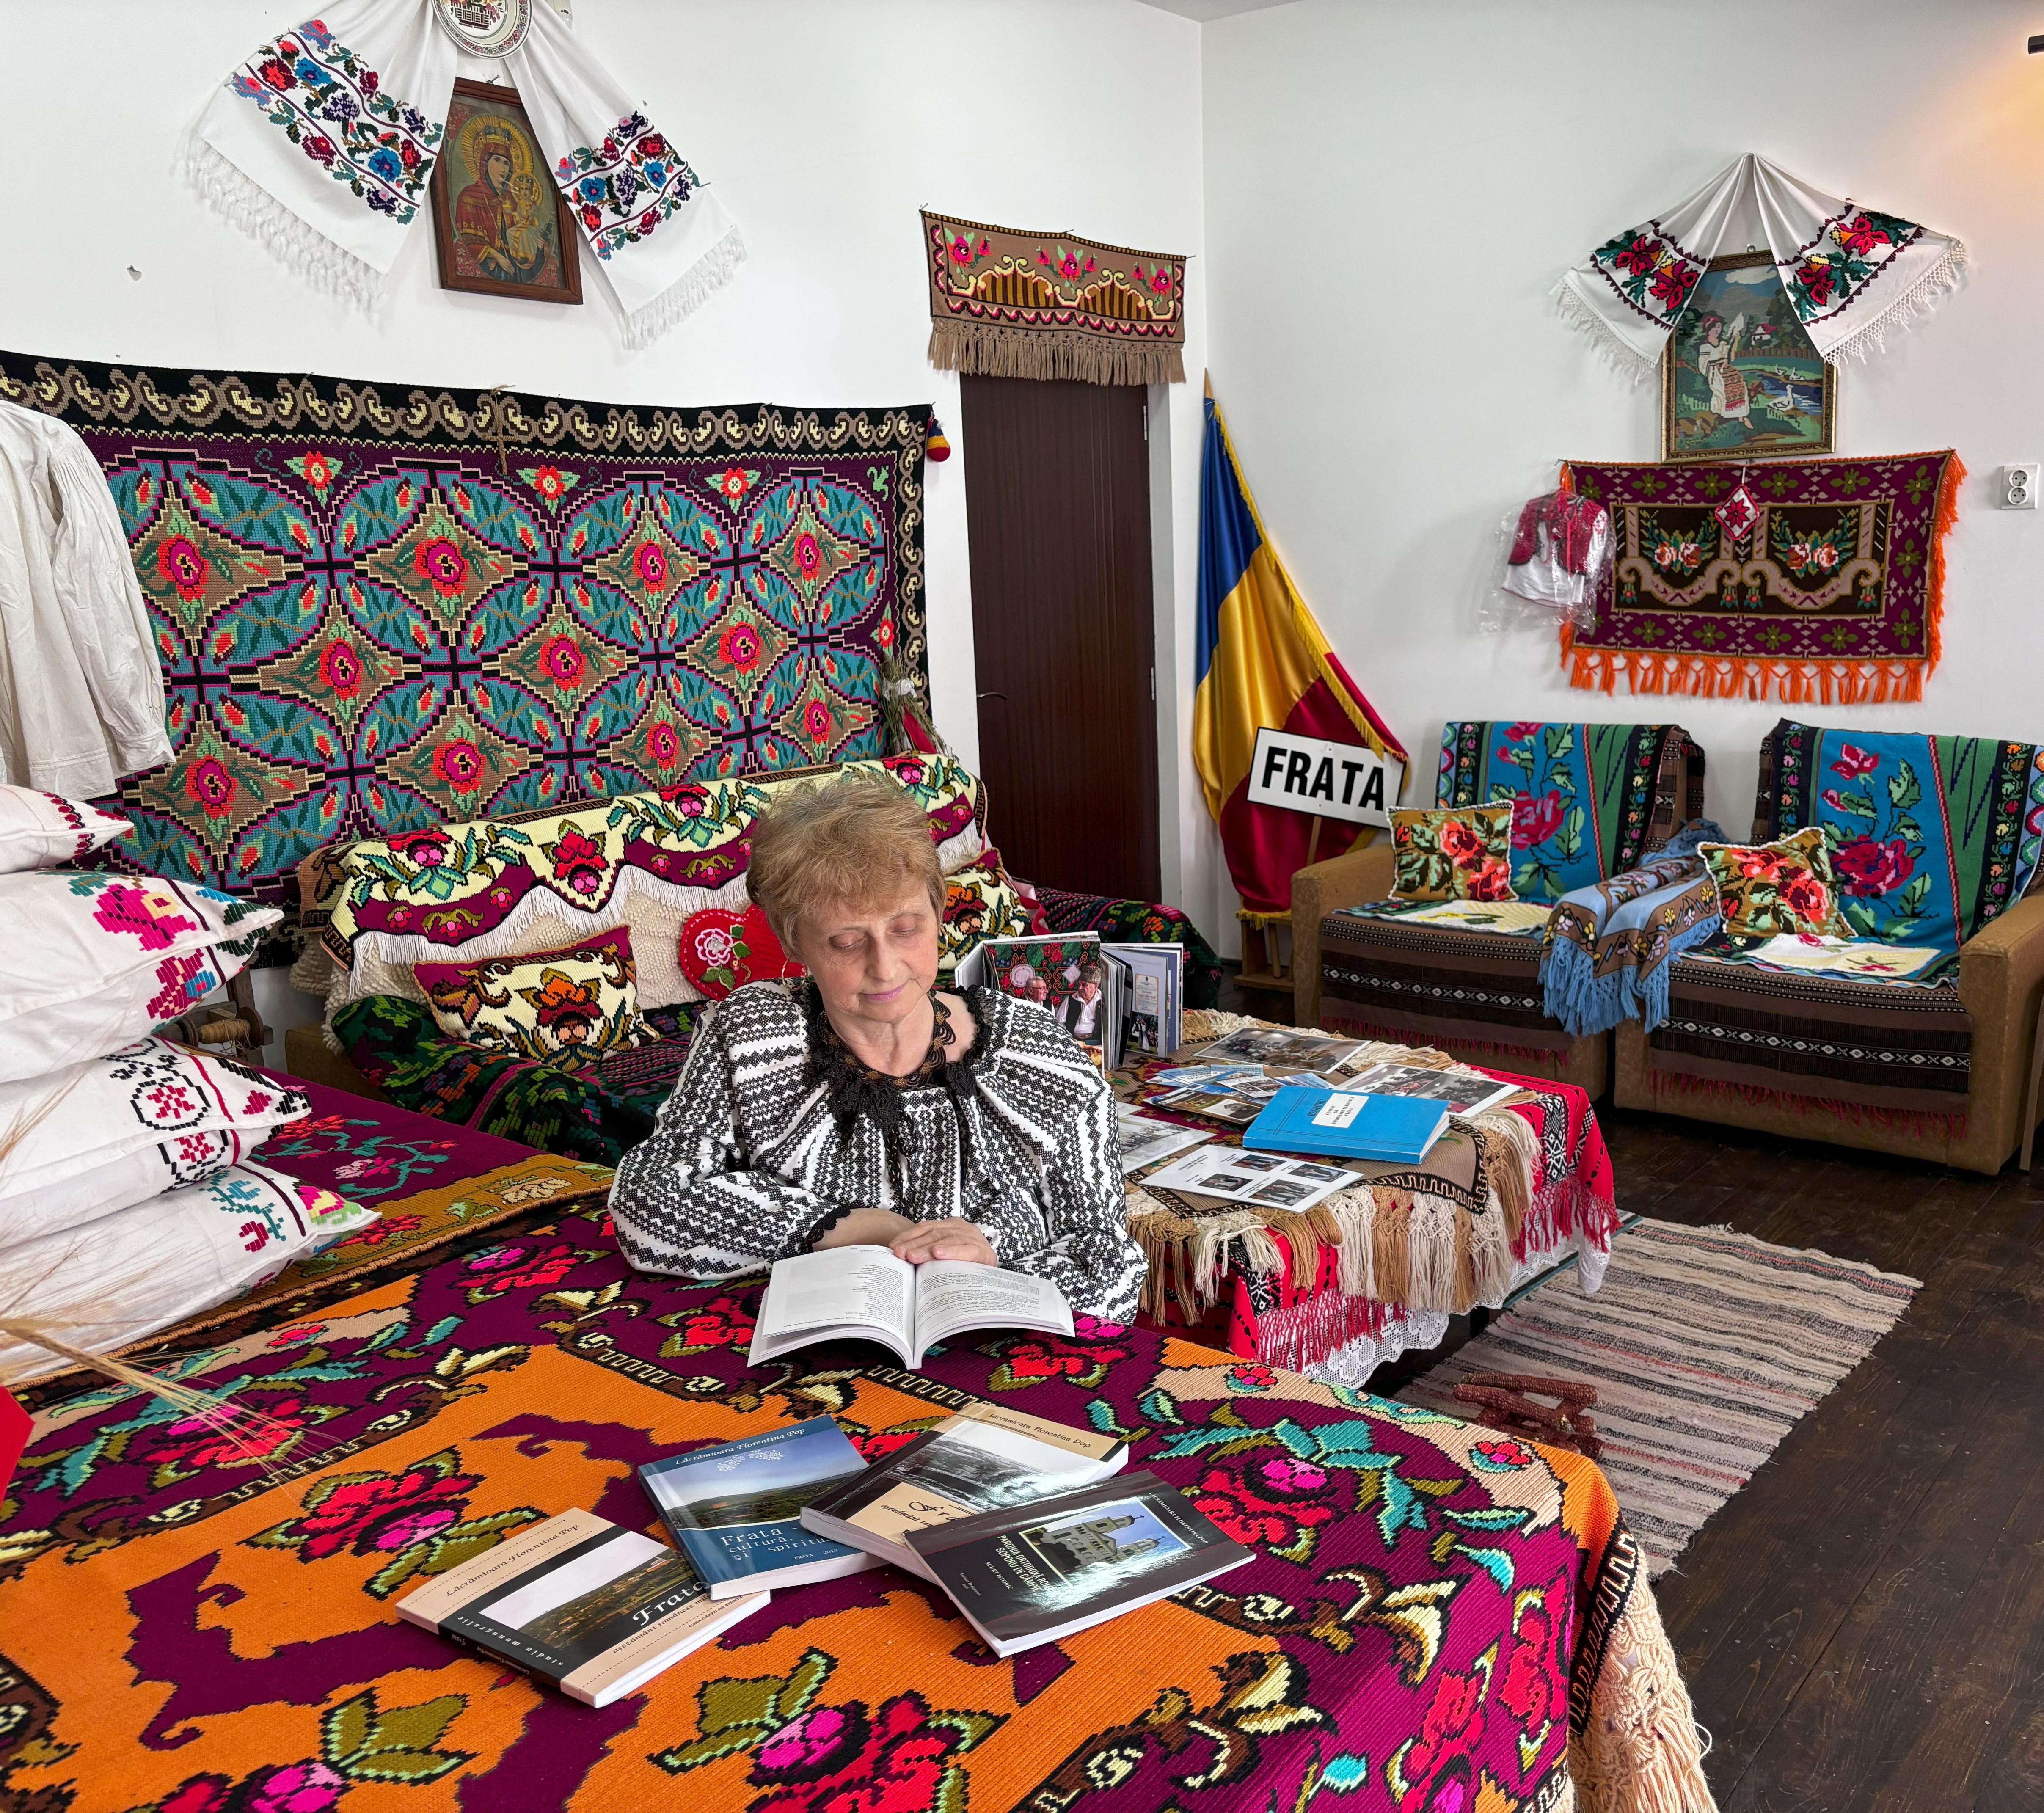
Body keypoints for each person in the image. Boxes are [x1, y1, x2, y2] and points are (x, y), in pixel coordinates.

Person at [608, 773, 1145, 1323]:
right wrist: (846, 1227)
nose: (885, 968)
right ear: (794, 941)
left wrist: (990, 1254)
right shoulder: (750, 1033)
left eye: (906, 929)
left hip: (991, 1352)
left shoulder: (1038, 1054)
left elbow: (1111, 1271)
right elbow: (647, 1201)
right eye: (846, 942)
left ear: (939, 911)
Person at [1058, 965, 1106, 1043]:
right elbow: (1059, 1023)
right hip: (1073, 1040)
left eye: (1084, 985)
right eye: (1079, 984)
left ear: (1096, 986)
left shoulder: (1103, 1000)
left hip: (1096, 1041)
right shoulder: (1071, 1000)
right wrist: (1068, 1039)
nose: (1080, 988)